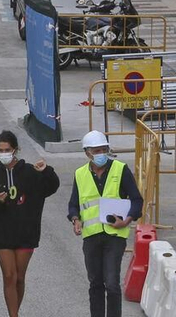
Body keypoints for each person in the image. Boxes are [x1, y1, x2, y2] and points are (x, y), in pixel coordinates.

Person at [0, 130, 61, 317]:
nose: (4, 153)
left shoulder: (29, 172)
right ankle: (14, 315)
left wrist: (47, 170)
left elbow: (52, 186)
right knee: (9, 276)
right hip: (2, 235)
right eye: (0, 150)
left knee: (19, 277)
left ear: (16, 150)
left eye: (7, 149)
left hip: (26, 235)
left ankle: (14, 311)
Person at [68, 130, 144, 317]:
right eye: (96, 150)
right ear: (87, 152)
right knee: (95, 283)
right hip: (91, 236)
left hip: (115, 236)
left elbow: (136, 200)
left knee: (111, 283)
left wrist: (126, 220)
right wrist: (75, 219)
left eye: (103, 149)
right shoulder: (80, 174)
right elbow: (73, 204)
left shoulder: (120, 169)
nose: (100, 154)